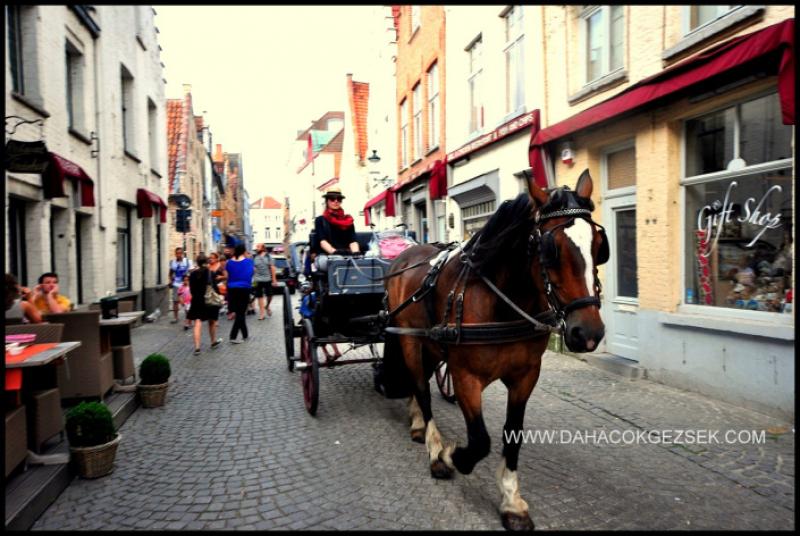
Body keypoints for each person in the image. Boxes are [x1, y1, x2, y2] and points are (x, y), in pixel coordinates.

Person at [187, 254, 223, 355]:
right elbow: (215, 288)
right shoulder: (210, 273)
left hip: (197, 301)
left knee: (197, 323)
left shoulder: (193, 274)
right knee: (211, 321)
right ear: (207, 262)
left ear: (197, 263)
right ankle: (213, 341)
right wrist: (219, 296)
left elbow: (191, 290)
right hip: (209, 300)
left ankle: (197, 347)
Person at [314, 186, 360, 255]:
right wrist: (335, 252)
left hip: (346, 255)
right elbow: (322, 241)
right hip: (328, 255)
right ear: (327, 201)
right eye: (332, 199)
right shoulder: (320, 220)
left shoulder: (348, 220)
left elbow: (353, 241)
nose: (336, 201)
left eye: (339, 199)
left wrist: (356, 253)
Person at [225, 243, 254, 343]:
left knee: (239, 312)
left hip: (232, 289)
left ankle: (245, 334)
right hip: (244, 288)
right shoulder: (248, 262)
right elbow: (250, 274)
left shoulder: (229, 262)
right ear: (243, 251)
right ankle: (233, 336)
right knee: (241, 313)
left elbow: (228, 276)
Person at [253, 243, 278, 320]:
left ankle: (267, 306)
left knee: (270, 295)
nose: (257, 248)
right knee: (259, 296)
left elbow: (272, 268)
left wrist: (274, 280)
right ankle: (262, 313)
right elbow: (253, 268)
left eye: (258, 247)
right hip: (257, 279)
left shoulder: (268, 256)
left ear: (263, 248)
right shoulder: (255, 256)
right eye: (256, 247)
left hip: (267, 279)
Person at [168, 247, 192, 325]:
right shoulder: (173, 262)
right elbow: (170, 273)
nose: (178, 255)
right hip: (176, 284)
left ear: (182, 254)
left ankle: (188, 318)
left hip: (185, 285)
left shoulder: (187, 261)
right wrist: (170, 281)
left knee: (186, 302)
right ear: (175, 254)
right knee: (175, 301)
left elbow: (192, 272)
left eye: (180, 253)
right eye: (177, 253)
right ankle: (176, 318)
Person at [208, 252, 227, 318]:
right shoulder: (208, 266)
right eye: (209, 258)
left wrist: (221, 277)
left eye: (212, 258)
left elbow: (227, 276)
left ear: (216, 259)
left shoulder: (220, 266)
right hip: (211, 286)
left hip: (219, 286)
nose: (210, 259)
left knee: (218, 300)